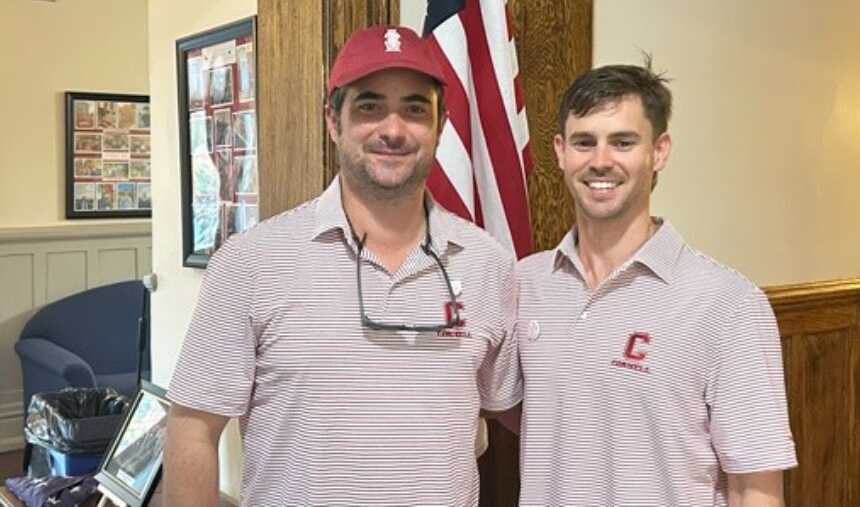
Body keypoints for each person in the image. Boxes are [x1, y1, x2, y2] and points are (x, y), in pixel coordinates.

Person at [164, 25, 521, 507]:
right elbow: (192, 429)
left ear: (441, 124)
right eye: (369, 106)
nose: (393, 130)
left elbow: (520, 412)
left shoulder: (489, 265)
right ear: (333, 121)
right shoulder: (250, 263)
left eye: (415, 108)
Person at [515, 62, 797, 506]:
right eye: (584, 142)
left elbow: (756, 490)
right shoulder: (525, 284)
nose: (600, 161)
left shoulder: (728, 304)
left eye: (623, 142)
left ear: (659, 151)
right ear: (560, 152)